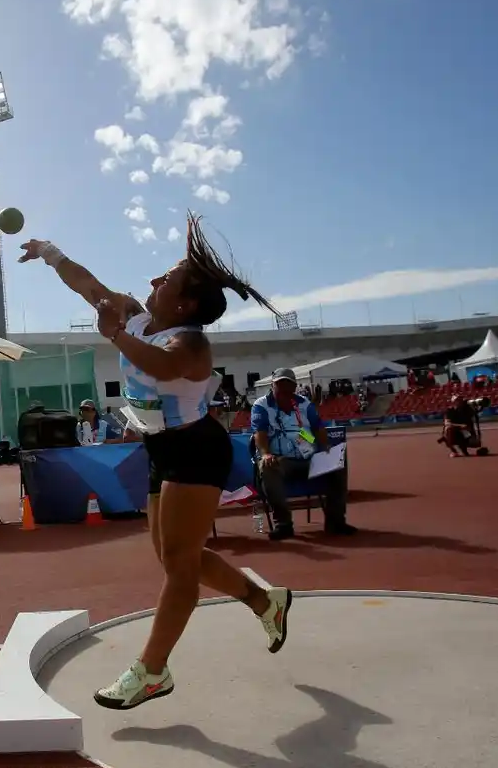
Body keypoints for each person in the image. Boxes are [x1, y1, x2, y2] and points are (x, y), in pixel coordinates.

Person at [18, 213, 292, 711]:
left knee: (181, 568)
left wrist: (117, 336)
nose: (152, 281)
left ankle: (151, 670)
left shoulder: (190, 342)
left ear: (184, 303)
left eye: (165, 279)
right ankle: (263, 600)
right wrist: (50, 252)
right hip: (160, 448)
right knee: (172, 558)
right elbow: (87, 284)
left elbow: (163, 365)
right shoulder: (135, 314)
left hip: (196, 449)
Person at [251, 369, 356, 540]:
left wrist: (326, 446)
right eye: (280, 384)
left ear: (294, 386)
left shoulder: (304, 404)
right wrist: (265, 454)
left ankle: (336, 521)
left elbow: (317, 428)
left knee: (338, 458)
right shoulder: (261, 406)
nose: (284, 388)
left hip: (309, 458)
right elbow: (260, 433)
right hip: (281, 460)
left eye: (288, 384)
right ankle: (284, 524)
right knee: (268, 468)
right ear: (273, 385)